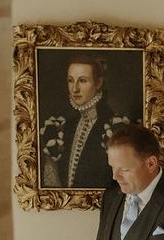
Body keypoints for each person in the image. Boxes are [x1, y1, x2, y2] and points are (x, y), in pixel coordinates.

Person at [40, 53, 128, 188]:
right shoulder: (63, 127)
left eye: (82, 80)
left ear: (98, 83)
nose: (74, 89)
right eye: (70, 80)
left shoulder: (115, 127)